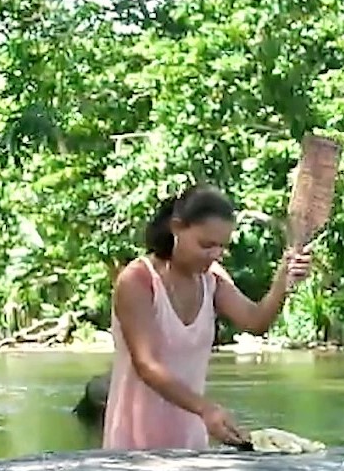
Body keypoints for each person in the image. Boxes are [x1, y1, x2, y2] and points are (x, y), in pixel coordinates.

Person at [103, 184, 311, 450]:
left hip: (191, 439)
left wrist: (283, 280)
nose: (214, 254)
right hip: (136, 440)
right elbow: (147, 365)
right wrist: (206, 409)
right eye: (206, 244)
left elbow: (255, 322)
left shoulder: (212, 279)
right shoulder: (138, 280)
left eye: (221, 247)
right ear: (177, 228)